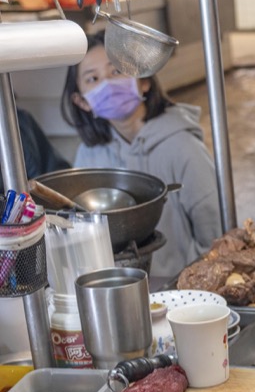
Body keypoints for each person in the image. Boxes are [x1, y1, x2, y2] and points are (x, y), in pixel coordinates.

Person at [61, 30, 222, 280]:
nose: (107, 84)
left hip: (180, 295)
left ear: (144, 80)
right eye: (92, 79)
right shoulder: (87, 157)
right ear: (82, 101)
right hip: (113, 293)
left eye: (117, 71)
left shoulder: (182, 146)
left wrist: (193, 285)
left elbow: (215, 234)